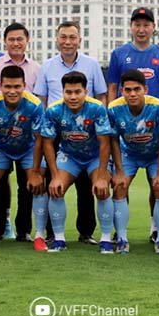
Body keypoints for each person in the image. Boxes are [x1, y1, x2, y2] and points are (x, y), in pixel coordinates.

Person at [34, 21, 106, 246]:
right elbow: (42, 100)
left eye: (72, 37)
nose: (67, 41)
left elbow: (101, 95)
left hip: (88, 131)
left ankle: (86, 232)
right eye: (63, 37)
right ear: (57, 39)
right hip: (57, 130)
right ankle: (52, 233)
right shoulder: (47, 66)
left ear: (79, 40)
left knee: (87, 184)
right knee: (53, 180)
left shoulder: (91, 64)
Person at [0, 22, 40, 242]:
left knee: (29, 184)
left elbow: (39, 101)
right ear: (5, 41)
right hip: (0, 137)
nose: (15, 43)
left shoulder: (36, 68)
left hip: (28, 138)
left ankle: (24, 230)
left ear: (27, 41)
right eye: (11, 39)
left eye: (20, 39)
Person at [0, 66, 49, 251]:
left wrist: (34, 171)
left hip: (28, 147)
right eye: (7, 86)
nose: (12, 91)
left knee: (38, 183)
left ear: (24, 85)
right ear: (0, 85)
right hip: (1, 147)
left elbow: (40, 139)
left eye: (17, 86)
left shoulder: (34, 105)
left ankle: (37, 235)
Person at [42, 72, 115, 253]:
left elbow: (105, 144)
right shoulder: (53, 110)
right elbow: (48, 143)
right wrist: (55, 175)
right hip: (70, 156)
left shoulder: (97, 108)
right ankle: (59, 240)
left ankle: (105, 240)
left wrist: (101, 175)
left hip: (95, 156)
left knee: (102, 188)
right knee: (56, 189)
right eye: (68, 92)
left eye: (77, 92)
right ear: (63, 91)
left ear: (86, 91)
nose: (73, 97)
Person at [108, 70, 159, 254]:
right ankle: (121, 238)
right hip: (128, 153)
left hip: (155, 154)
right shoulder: (114, 108)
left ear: (145, 89)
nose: (132, 94)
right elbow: (113, 140)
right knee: (120, 186)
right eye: (128, 90)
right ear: (122, 91)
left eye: (137, 89)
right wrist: (119, 171)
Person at [106, 8, 159, 102]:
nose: (141, 30)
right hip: (125, 113)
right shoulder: (118, 54)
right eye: (137, 25)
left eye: (146, 25)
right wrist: (110, 112)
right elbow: (112, 88)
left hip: (156, 112)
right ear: (131, 26)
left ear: (153, 26)